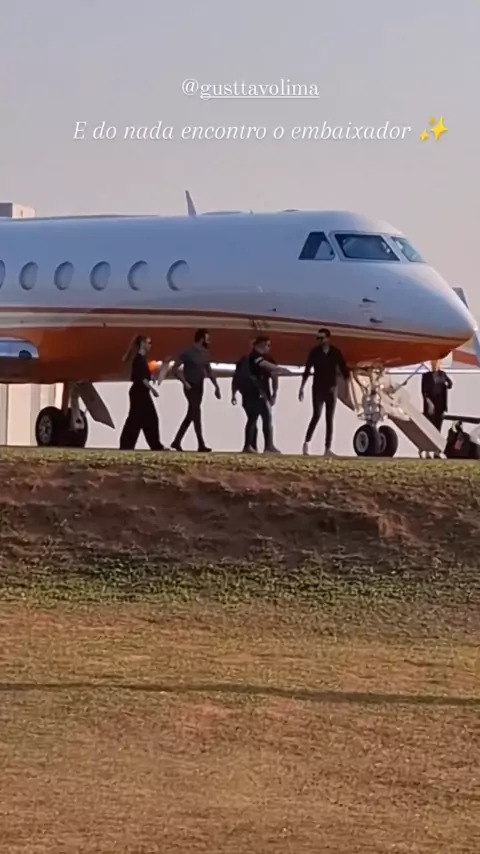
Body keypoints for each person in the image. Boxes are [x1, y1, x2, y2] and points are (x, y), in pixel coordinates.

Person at [298, 328, 349, 456]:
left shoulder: (335, 352)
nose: (319, 340)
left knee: (329, 418)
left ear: (328, 338)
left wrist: (347, 389)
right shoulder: (314, 352)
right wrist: (302, 388)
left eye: (322, 338)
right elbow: (307, 370)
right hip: (318, 388)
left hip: (331, 388)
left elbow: (344, 370)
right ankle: (306, 443)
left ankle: (327, 448)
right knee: (316, 415)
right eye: (318, 338)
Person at [171, 329, 221, 452]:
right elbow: (175, 369)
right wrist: (184, 382)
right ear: (201, 338)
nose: (209, 340)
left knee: (191, 414)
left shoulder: (205, 353)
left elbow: (209, 371)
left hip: (199, 385)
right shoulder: (188, 352)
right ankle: (201, 443)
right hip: (190, 385)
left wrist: (216, 386)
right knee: (196, 411)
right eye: (207, 338)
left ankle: (177, 441)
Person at [231, 336, 280, 453]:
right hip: (261, 392)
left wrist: (233, 393)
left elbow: (236, 377)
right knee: (266, 418)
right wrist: (274, 393)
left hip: (247, 394)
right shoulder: (265, 359)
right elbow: (274, 376)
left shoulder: (244, 359)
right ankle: (268, 446)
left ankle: (249, 446)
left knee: (252, 419)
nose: (269, 348)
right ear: (262, 345)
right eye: (268, 345)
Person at [119, 334, 165, 450]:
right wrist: (153, 390)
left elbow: (145, 376)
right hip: (139, 392)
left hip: (140, 392)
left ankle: (127, 444)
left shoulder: (143, 359)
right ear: (143, 344)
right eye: (148, 343)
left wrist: (154, 377)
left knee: (139, 419)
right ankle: (153, 445)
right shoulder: (139, 359)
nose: (150, 345)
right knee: (145, 418)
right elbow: (141, 378)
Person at [421, 362, 452, 458]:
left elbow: (450, 384)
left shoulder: (442, 374)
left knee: (438, 429)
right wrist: (429, 403)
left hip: (440, 405)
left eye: (436, 363)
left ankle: (436, 451)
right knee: (428, 429)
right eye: (433, 363)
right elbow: (424, 392)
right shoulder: (426, 376)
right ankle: (426, 451)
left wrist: (446, 383)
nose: (434, 365)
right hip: (430, 405)